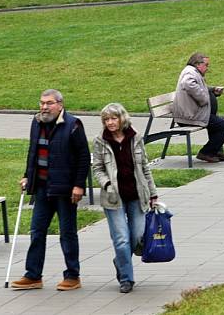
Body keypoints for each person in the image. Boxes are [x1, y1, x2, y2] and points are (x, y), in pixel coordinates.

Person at [12, 89, 90, 291]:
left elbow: (83, 157)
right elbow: (33, 152)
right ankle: (33, 275)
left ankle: (73, 276)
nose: (44, 107)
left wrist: (79, 184)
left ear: (60, 105)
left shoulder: (73, 125)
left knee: (67, 233)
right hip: (42, 187)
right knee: (37, 231)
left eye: (49, 103)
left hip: (64, 189)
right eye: (42, 103)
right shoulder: (36, 122)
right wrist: (27, 175)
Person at [92, 103, 159, 293]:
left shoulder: (135, 138)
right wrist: (106, 183)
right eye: (106, 119)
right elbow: (97, 167)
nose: (110, 123)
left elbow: (144, 167)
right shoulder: (100, 140)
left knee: (138, 236)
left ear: (122, 119)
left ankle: (120, 261)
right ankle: (126, 279)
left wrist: (153, 193)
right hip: (114, 198)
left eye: (113, 118)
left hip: (137, 195)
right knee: (121, 239)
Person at [173, 52, 224, 163]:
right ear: (197, 64)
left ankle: (216, 151)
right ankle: (206, 152)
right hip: (190, 117)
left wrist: (212, 90)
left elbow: (197, 87)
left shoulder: (193, 72)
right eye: (206, 65)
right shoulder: (190, 72)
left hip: (195, 114)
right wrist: (204, 98)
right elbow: (188, 84)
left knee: (217, 124)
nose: (207, 68)